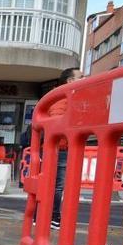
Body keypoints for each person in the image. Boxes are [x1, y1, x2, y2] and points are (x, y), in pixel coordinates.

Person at [47, 67, 83, 230]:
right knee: (57, 185)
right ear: (70, 81)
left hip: (59, 147)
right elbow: (56, 121)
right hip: (60, 147)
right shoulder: (63, 98)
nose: (84, 79)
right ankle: (53, 217)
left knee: (53, 184)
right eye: (80, 77)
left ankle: (43, 216)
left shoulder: (60, 96)